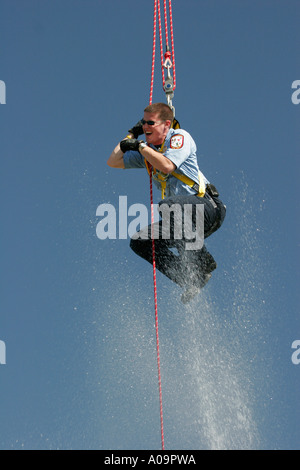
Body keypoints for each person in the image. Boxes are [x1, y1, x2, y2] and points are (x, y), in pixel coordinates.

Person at [107, 102, 226, 303]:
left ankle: (203, 262)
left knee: (167, 206)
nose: (146, 127)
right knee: (140, 242)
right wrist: (131, 136)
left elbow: (168, 165)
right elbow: (114, 161)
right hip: (183, 219)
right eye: (143, 123)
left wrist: (140, 146)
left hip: (207, 208)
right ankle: (190, 278)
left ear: (166, 125)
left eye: (150, 123)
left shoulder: (179, 138)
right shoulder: (148, 153)